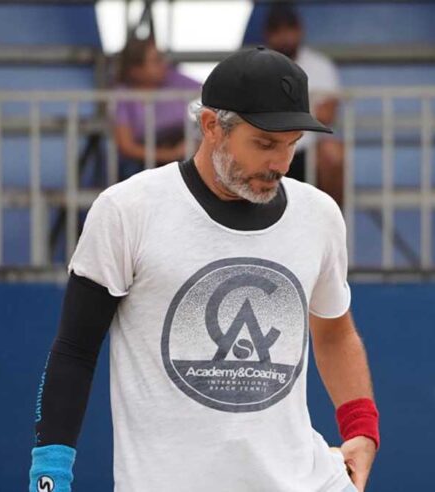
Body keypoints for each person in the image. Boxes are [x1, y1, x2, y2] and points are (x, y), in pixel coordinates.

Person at [29, 47, 379, 492]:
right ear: (212, 126)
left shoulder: (319, 215)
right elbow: (75, 351)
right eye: (265, 144)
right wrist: (50, 474)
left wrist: (361, 428)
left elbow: (334, 332)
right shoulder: (128, 210)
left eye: (291, 144)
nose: (281, 164)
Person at [264, 1, 345, 206]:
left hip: (307, 147)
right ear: (267, 34)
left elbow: (327, 114)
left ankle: (332, 220)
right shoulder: (257, 65)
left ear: (300, 29)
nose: (284, 36)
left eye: (289, 28)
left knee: (332, 153)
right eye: (276, 30)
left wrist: (279, 107)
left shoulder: (319, 65)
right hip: (267, 144)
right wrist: (305, 106)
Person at [114, 38, 201, 180]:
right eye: (156, 60)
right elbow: (126, 146)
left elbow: (210, 95)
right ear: (135, 70)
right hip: (143, 159)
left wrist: (196, 141)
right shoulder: (123, 95)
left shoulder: (174, 78)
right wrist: (170, 155)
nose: (164, 64)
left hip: (180, 147)